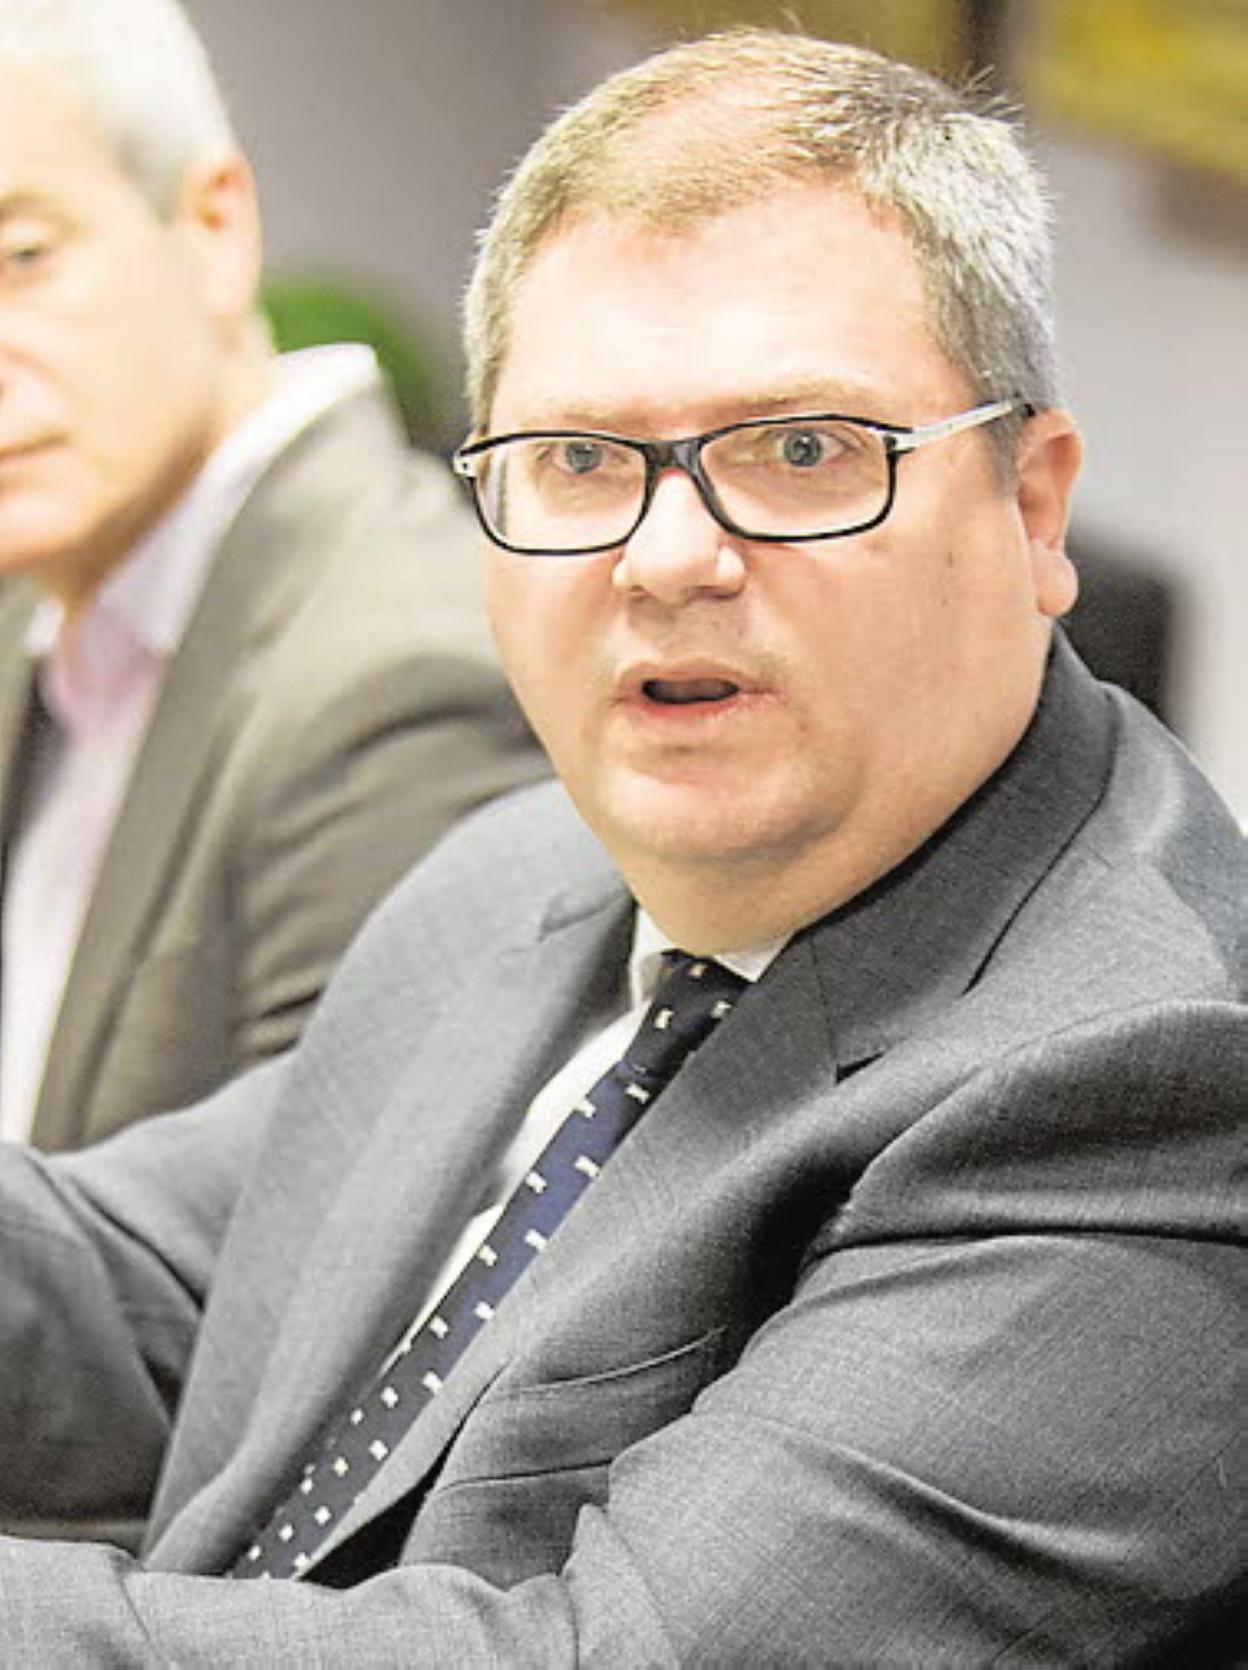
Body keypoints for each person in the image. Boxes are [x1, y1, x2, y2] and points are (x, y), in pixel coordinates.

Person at [0, 28, 1242, 1665]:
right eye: (578, 461)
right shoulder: (524, 868)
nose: (665, 557)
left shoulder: (1146, 1080)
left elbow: (604, 1656)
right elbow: (146, 1291)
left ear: (1029, 505)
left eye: (799, 451)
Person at [0, 0, 544, 1151]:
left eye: (24, 257)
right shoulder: (39, 624)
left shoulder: (403, 674)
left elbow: (317, 1233)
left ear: (213, 226)